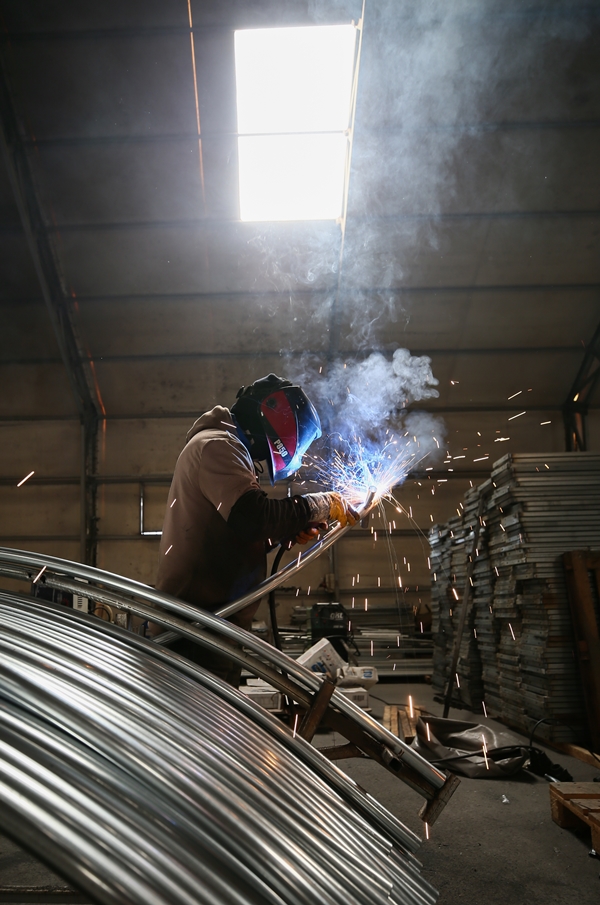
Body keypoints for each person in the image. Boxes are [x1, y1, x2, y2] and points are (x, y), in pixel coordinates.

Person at [154, 373, 358, 685]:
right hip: (194, 635)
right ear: (279, 423)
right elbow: (253, 517)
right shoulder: (217, 446)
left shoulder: (227, 448)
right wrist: (319, 504)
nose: (297, 458)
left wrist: (286, 532)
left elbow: (236, 534)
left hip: (212, 630)